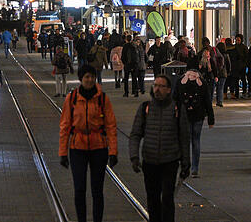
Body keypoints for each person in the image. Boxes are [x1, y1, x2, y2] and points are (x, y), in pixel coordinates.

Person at [59, 64, 118, 222]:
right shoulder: (71, 99)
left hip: (99, 148)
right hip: (77, 148)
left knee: (97, 190)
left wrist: (113, 152)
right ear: (81, 79)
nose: (90, 79)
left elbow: (111, 126)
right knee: (79, 189)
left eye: (92, 76)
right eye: (86, 76)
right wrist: (63, 153)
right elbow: (65, 126)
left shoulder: (103, 99)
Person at [129, 74, 190, 222]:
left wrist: (186, 162)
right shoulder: (145, 108)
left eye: (162, 86)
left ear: (169, 90)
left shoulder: (177, 109)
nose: (157, 89)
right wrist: (134, 156)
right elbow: (135, 134)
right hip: (150, 162)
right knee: (153, 199)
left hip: (170, 160)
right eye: (155, 85)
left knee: (167, 198)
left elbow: (184, 137)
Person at [172, 70, 214, 177]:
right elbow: (208, 102)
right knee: (196, 141)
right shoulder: (202, 83)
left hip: (184, 116)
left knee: (185, 142)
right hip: (198, 115)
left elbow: (174, 99)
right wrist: (211, 119)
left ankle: (185, 166)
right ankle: (195, 168)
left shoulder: (180, 82)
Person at [214, 41, 229, 107]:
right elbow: (229, 65)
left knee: (215, 87)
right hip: (223, 73)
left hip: (216, 73)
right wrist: (228, 72)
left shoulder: (215, 55)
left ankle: (214, 100)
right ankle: (219, 101)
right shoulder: (226, 55)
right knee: (221, 88)